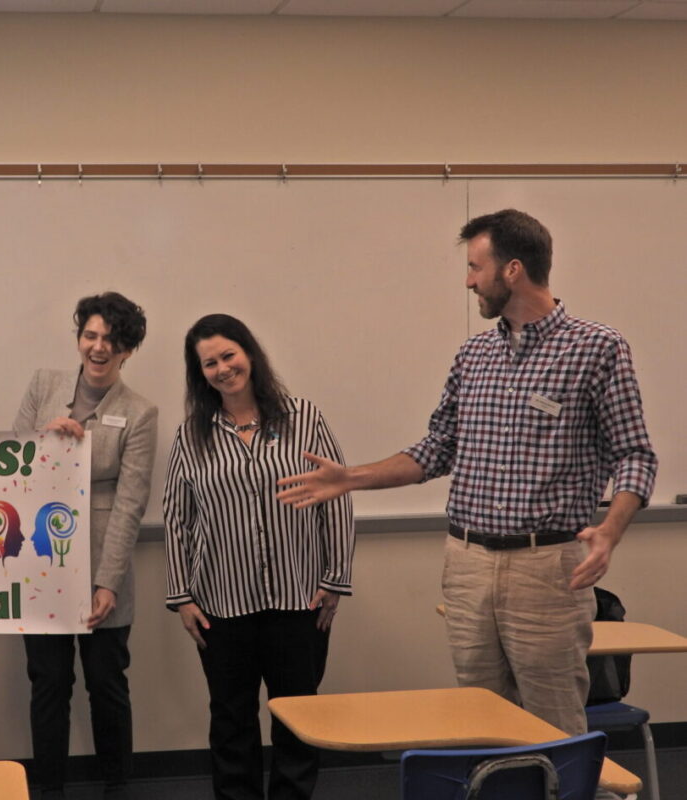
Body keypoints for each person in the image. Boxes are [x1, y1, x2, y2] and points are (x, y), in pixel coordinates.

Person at [278, 209, 658, 744]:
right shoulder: (474, 354)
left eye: (476, 267)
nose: (468, 280)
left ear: (512, 271)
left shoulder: (596, 347)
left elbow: (636, 454)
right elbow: (437, 448)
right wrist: (352, 478)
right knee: (482, 722)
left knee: (552, 726)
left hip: (546, 567)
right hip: (467, 565)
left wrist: (611, 532)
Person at [163, 313, 354, 800]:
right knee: (230, 721)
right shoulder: (192, 435)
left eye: (229, 355)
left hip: (299, 598)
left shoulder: (303, 417)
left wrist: (335, 578)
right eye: (210, 363)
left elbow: (337, 495)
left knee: (298, 717)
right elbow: (176, 519)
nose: (223, 369)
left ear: (249, 353)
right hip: (221, 607)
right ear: (199, 372)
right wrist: (182, 596)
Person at [14, 292, 158, 800]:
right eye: (90, 335)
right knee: (48, 683)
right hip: (41, 564)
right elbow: (10, 465)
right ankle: (48, 788)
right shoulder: (43, 385)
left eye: (111, 340)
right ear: (79, 339)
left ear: (127, 350)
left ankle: (118, 786)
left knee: (107, 684)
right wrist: (45, 438)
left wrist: (107, 582)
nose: (99, 348)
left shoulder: (140, 412)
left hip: (102, 568)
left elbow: (131, 501)